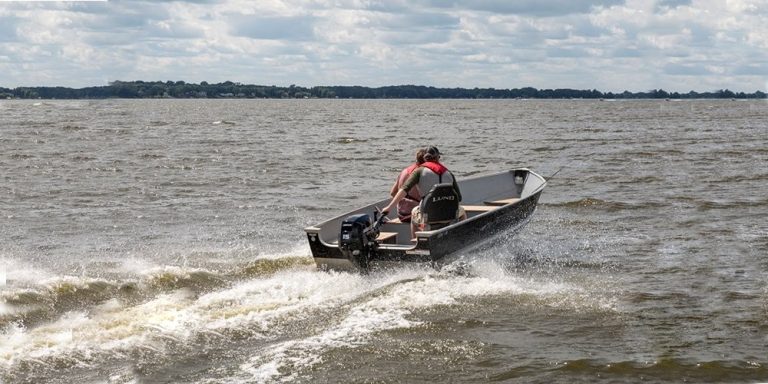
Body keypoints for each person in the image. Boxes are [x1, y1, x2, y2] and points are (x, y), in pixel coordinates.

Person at [382, 146, 466, 235]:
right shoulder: (449, 173)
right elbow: (459, 198)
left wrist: (389, 207)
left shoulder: (419, 171)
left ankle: (415, 242)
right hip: (449, 215)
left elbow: (404, 189)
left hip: (428, 217)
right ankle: (461, 236)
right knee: (462, 211)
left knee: (414, 211)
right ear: (438, 158)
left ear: (424, 159)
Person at [388, 148, 426, 222]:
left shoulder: (404, 171)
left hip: (401, 214)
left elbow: (392, 193)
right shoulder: (424, 173)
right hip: (414, 214)